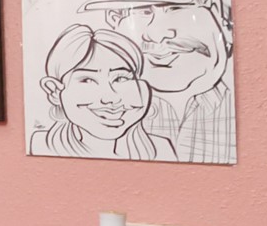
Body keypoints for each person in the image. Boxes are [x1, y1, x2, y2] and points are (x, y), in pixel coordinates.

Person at [79, 0, 233, 163]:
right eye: (142, 12)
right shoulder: (96, 117)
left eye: (176, 8)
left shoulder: (251, 111)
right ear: (114, 22)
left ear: (214, 10)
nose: (157, 34)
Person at [31, 25, 177, 161]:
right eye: (87, 80)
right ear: (55, 90)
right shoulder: (41, 144)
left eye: (120, 78)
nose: (110, 98)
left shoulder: (160, 148)